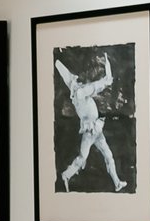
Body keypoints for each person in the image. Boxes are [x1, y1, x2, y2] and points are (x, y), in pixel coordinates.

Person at [54, 53, 127, 192]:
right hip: (90, 130)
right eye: (77, 81)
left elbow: (67, 77)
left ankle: (117, 183)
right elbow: (100, 84)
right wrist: (106, 73)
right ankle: (66, 175)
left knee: (107, 155)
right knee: (83, 157)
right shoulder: (81, 92)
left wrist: (57, 63)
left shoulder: (75, 92)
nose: (78, 81)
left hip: (96, 130)